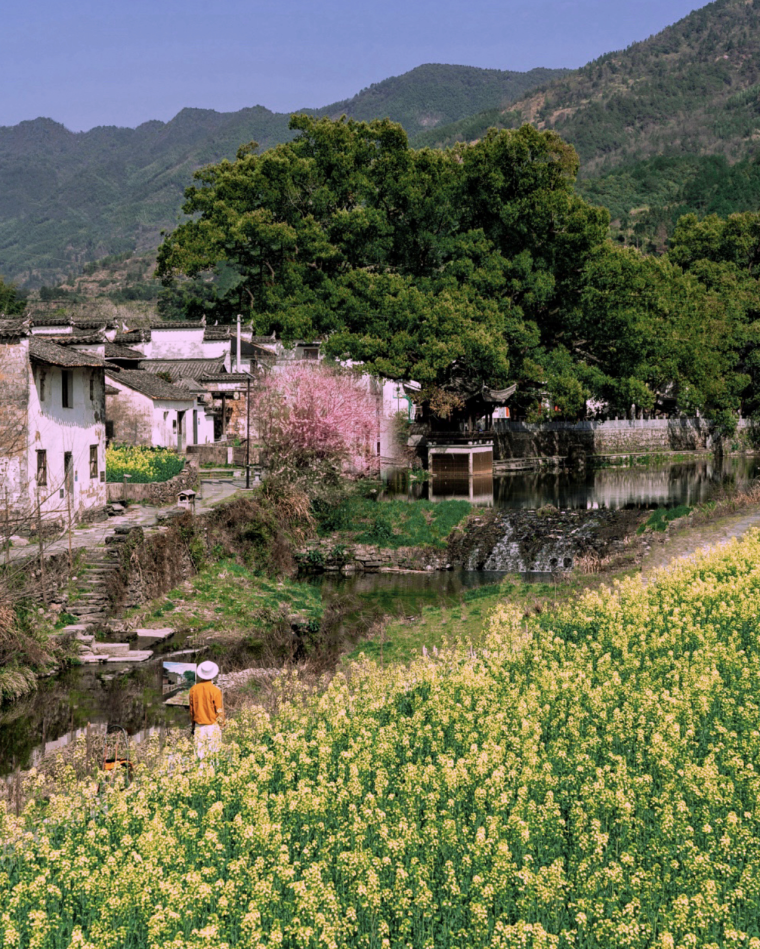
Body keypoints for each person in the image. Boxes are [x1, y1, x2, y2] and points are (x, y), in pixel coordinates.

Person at [188, 660, 224, 759]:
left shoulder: (193, 689)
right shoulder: (215, 690)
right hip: (213, 726)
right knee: (214, 755)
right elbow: (219, 710)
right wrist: (221, 724)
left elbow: (192, 711)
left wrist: (193, 725)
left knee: (199, 756)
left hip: (199, 726)